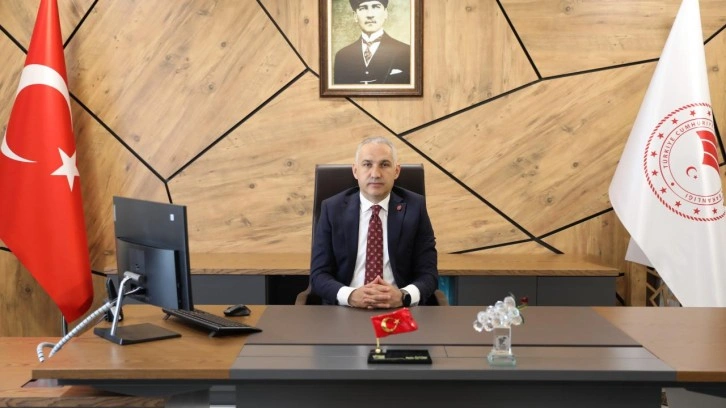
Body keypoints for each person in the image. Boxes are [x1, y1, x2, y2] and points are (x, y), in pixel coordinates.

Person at [310, 137, 438, 308]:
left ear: (396, 171)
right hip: (346, 309)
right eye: (367, 164)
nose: (376, 174)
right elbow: (318, 275)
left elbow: (429, 275)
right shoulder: (332, 209)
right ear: (355, 171)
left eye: (384, 164)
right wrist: (350, 296)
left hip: (398, 309)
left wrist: (403, 296)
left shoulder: (415, 208)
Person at [333, 0, 411, 85]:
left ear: (385, 13)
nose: (370, 15)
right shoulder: (342, 56)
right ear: (355, 16)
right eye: (363, 8)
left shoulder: (407, 52)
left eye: (376, 7)